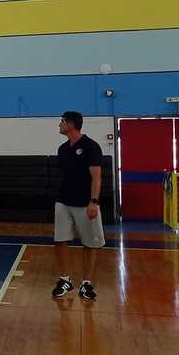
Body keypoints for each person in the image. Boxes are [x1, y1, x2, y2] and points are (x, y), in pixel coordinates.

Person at [51, 111, 104, 301]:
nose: (59, 124)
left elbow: (96, 177)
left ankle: (86, 284)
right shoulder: (62, 149)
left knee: (89, 243)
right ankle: (65, 280)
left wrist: (93, 201)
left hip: (85, 203)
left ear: (72, 124)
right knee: (60, 240)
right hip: (63, 201)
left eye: (62, 121)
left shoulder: (91, 147)